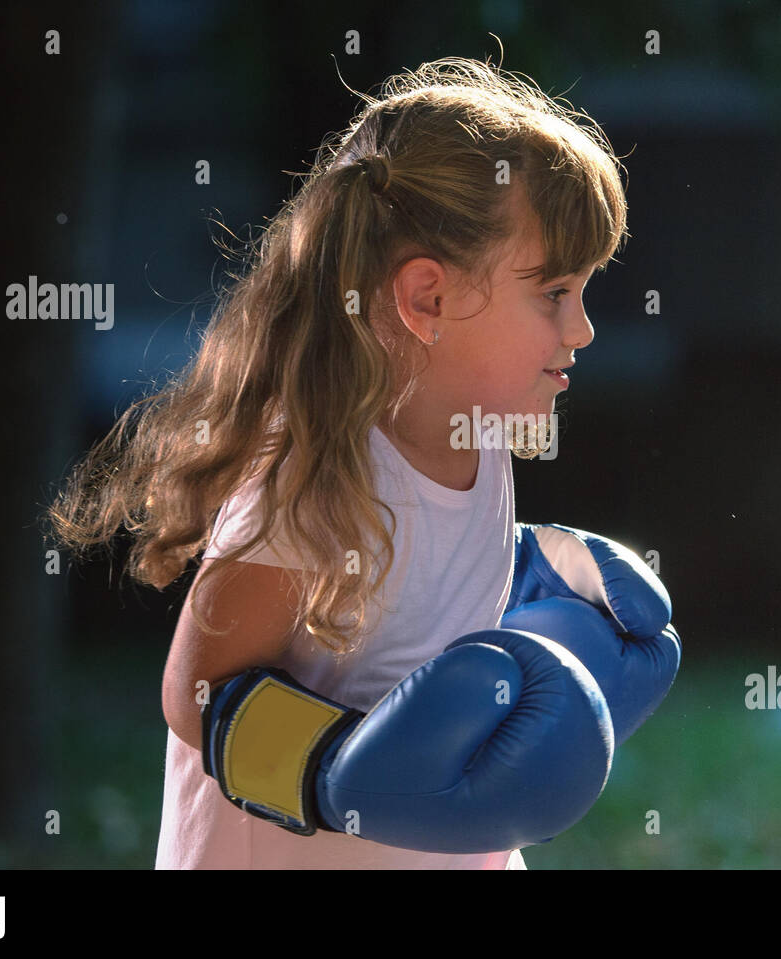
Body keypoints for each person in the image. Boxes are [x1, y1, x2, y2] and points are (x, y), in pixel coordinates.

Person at [45, 55, 629, 868]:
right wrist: (334, 776)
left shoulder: (479, 437)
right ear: (428, 299)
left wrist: (546, 573)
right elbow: (196, 690)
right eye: (555, 293)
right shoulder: (315, 475)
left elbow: (425, 572)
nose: (582, 329)